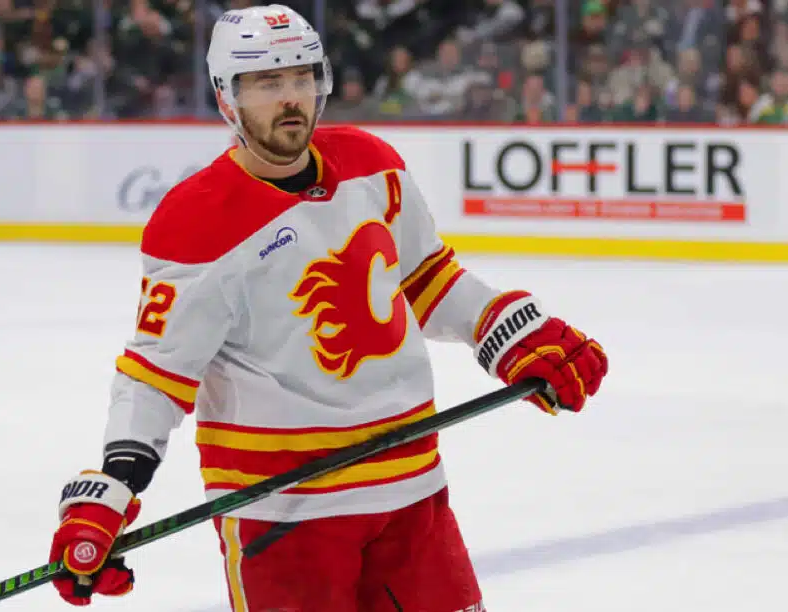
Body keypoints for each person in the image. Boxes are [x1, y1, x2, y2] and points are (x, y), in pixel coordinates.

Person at [46, 5, 609, 611]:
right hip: (286, 517)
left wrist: (511, 330)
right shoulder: (196, 223)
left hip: (412, 492)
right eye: (267, 82)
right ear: (225, 97)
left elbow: (430, 280)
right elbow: (157, 377)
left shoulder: (373, 165)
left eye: (302, 77)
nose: (292, 98)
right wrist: (110, 489)